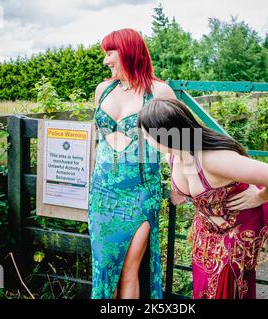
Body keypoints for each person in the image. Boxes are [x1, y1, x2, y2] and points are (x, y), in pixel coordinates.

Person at [137, 98, 268, 299]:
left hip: (241, 222)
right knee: (203, 281)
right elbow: (192, 187)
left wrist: (260, 197)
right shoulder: (172, 155)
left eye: (148, 134)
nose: (144, 138)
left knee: (225, 284)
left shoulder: (214, 159)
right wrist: (178, 192)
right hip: (208, 223)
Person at [88, 28, 176, 299]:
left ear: (127, 52)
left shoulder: (159, 91)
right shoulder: (103, 90)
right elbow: (95, 141)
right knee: (103, 268)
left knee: (129, 270)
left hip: (140, 195)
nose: (105, 61)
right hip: (102, 195)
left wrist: (178, 185)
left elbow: (179, 144)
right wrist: (90, 184)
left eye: (109, 53)